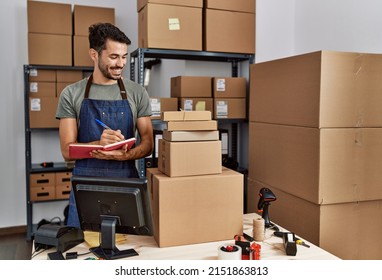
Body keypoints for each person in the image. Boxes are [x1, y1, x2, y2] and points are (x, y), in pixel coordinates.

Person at [56, 23, 154, 228]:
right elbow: (67, 151)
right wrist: (99, 145)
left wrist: (125, 155)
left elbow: (148, 142)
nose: (121, 64)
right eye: (113, 57)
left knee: (130, 246)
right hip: (85, 186)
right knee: (82, 248)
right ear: (94, 54)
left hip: (126, 184)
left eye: (124, 56)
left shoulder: (137, 93)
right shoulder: (72, 93)